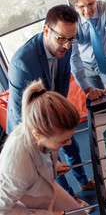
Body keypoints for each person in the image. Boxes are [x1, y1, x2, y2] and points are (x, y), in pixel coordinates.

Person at [6, 5, 94, 210]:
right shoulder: (22, 63)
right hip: (30, 124)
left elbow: (63, 80)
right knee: (50, 168)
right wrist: (49, 159)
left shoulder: (66, 44)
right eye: (61, 38)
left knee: (70, 144)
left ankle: (82, 181)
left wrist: (59, 114)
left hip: (52, 111)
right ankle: (72, 196)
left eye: (72, 39)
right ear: (46, 30)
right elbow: (23, 116)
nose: (67, 45)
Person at [0, 80, 86, 214]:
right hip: (23, 206)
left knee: (80, 213)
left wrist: (53, 165)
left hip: (45, 190)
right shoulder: (17, 163)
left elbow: (41, 155)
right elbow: (3, 209)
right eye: (63, 141)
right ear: (38, 135)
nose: (69, 143)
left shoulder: (40, 132)